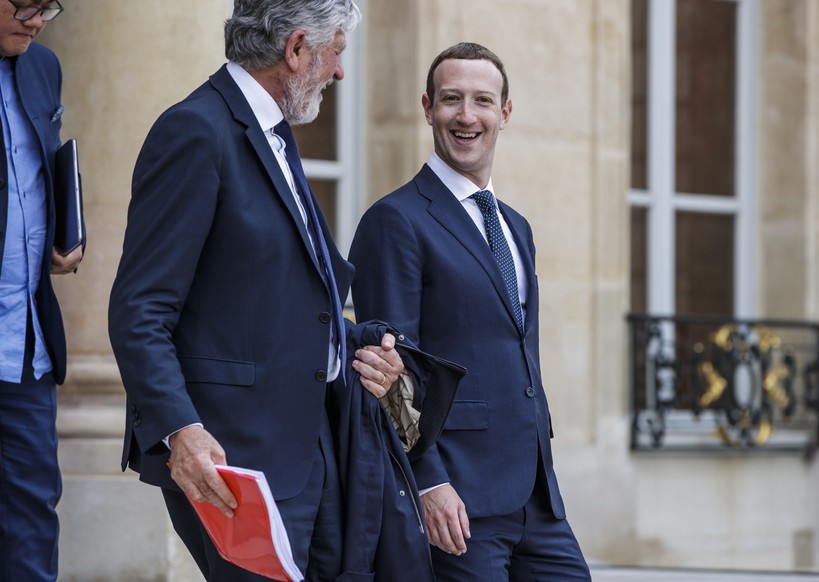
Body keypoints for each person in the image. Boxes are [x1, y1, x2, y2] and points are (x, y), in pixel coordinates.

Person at [107, 1, 403, 579]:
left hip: (304, 444)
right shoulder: (195, 130)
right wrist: (181, 432)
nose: (340, 72)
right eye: (337, 52)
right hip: (229, 455)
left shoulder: (275, 133)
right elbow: (140, 307)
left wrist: (355, 348)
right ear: (295, 50)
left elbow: (265, 296)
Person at [349, 42, 592, 581]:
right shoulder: (395, 221)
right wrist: (429, 482)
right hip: (458, 500)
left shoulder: (516, 226)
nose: (466, 115)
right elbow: (390, 372)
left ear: (504, 113)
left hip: (536, 498)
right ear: (427, 107)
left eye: (483, 100)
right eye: (451, 99)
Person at [0, 1, 82, 580]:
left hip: (25, 346)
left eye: (48, 7)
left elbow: (38, 173)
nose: (36, 21)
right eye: (24, 4)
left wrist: (61, 232)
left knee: (32, 516)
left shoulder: (44, 66)